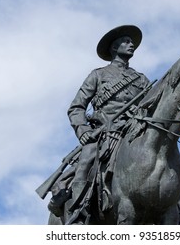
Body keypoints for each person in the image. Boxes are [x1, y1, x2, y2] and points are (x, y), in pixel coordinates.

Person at [49, 25, 150, 216]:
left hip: (134, 130)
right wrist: (83, 130)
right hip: (106, 132)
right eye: (126, 41)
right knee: (87, 158)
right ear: (114, 47)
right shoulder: (98, 75)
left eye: (132, 42)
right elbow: (76, 107)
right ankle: (78, 209)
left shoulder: (141, 79)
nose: (132, 45)